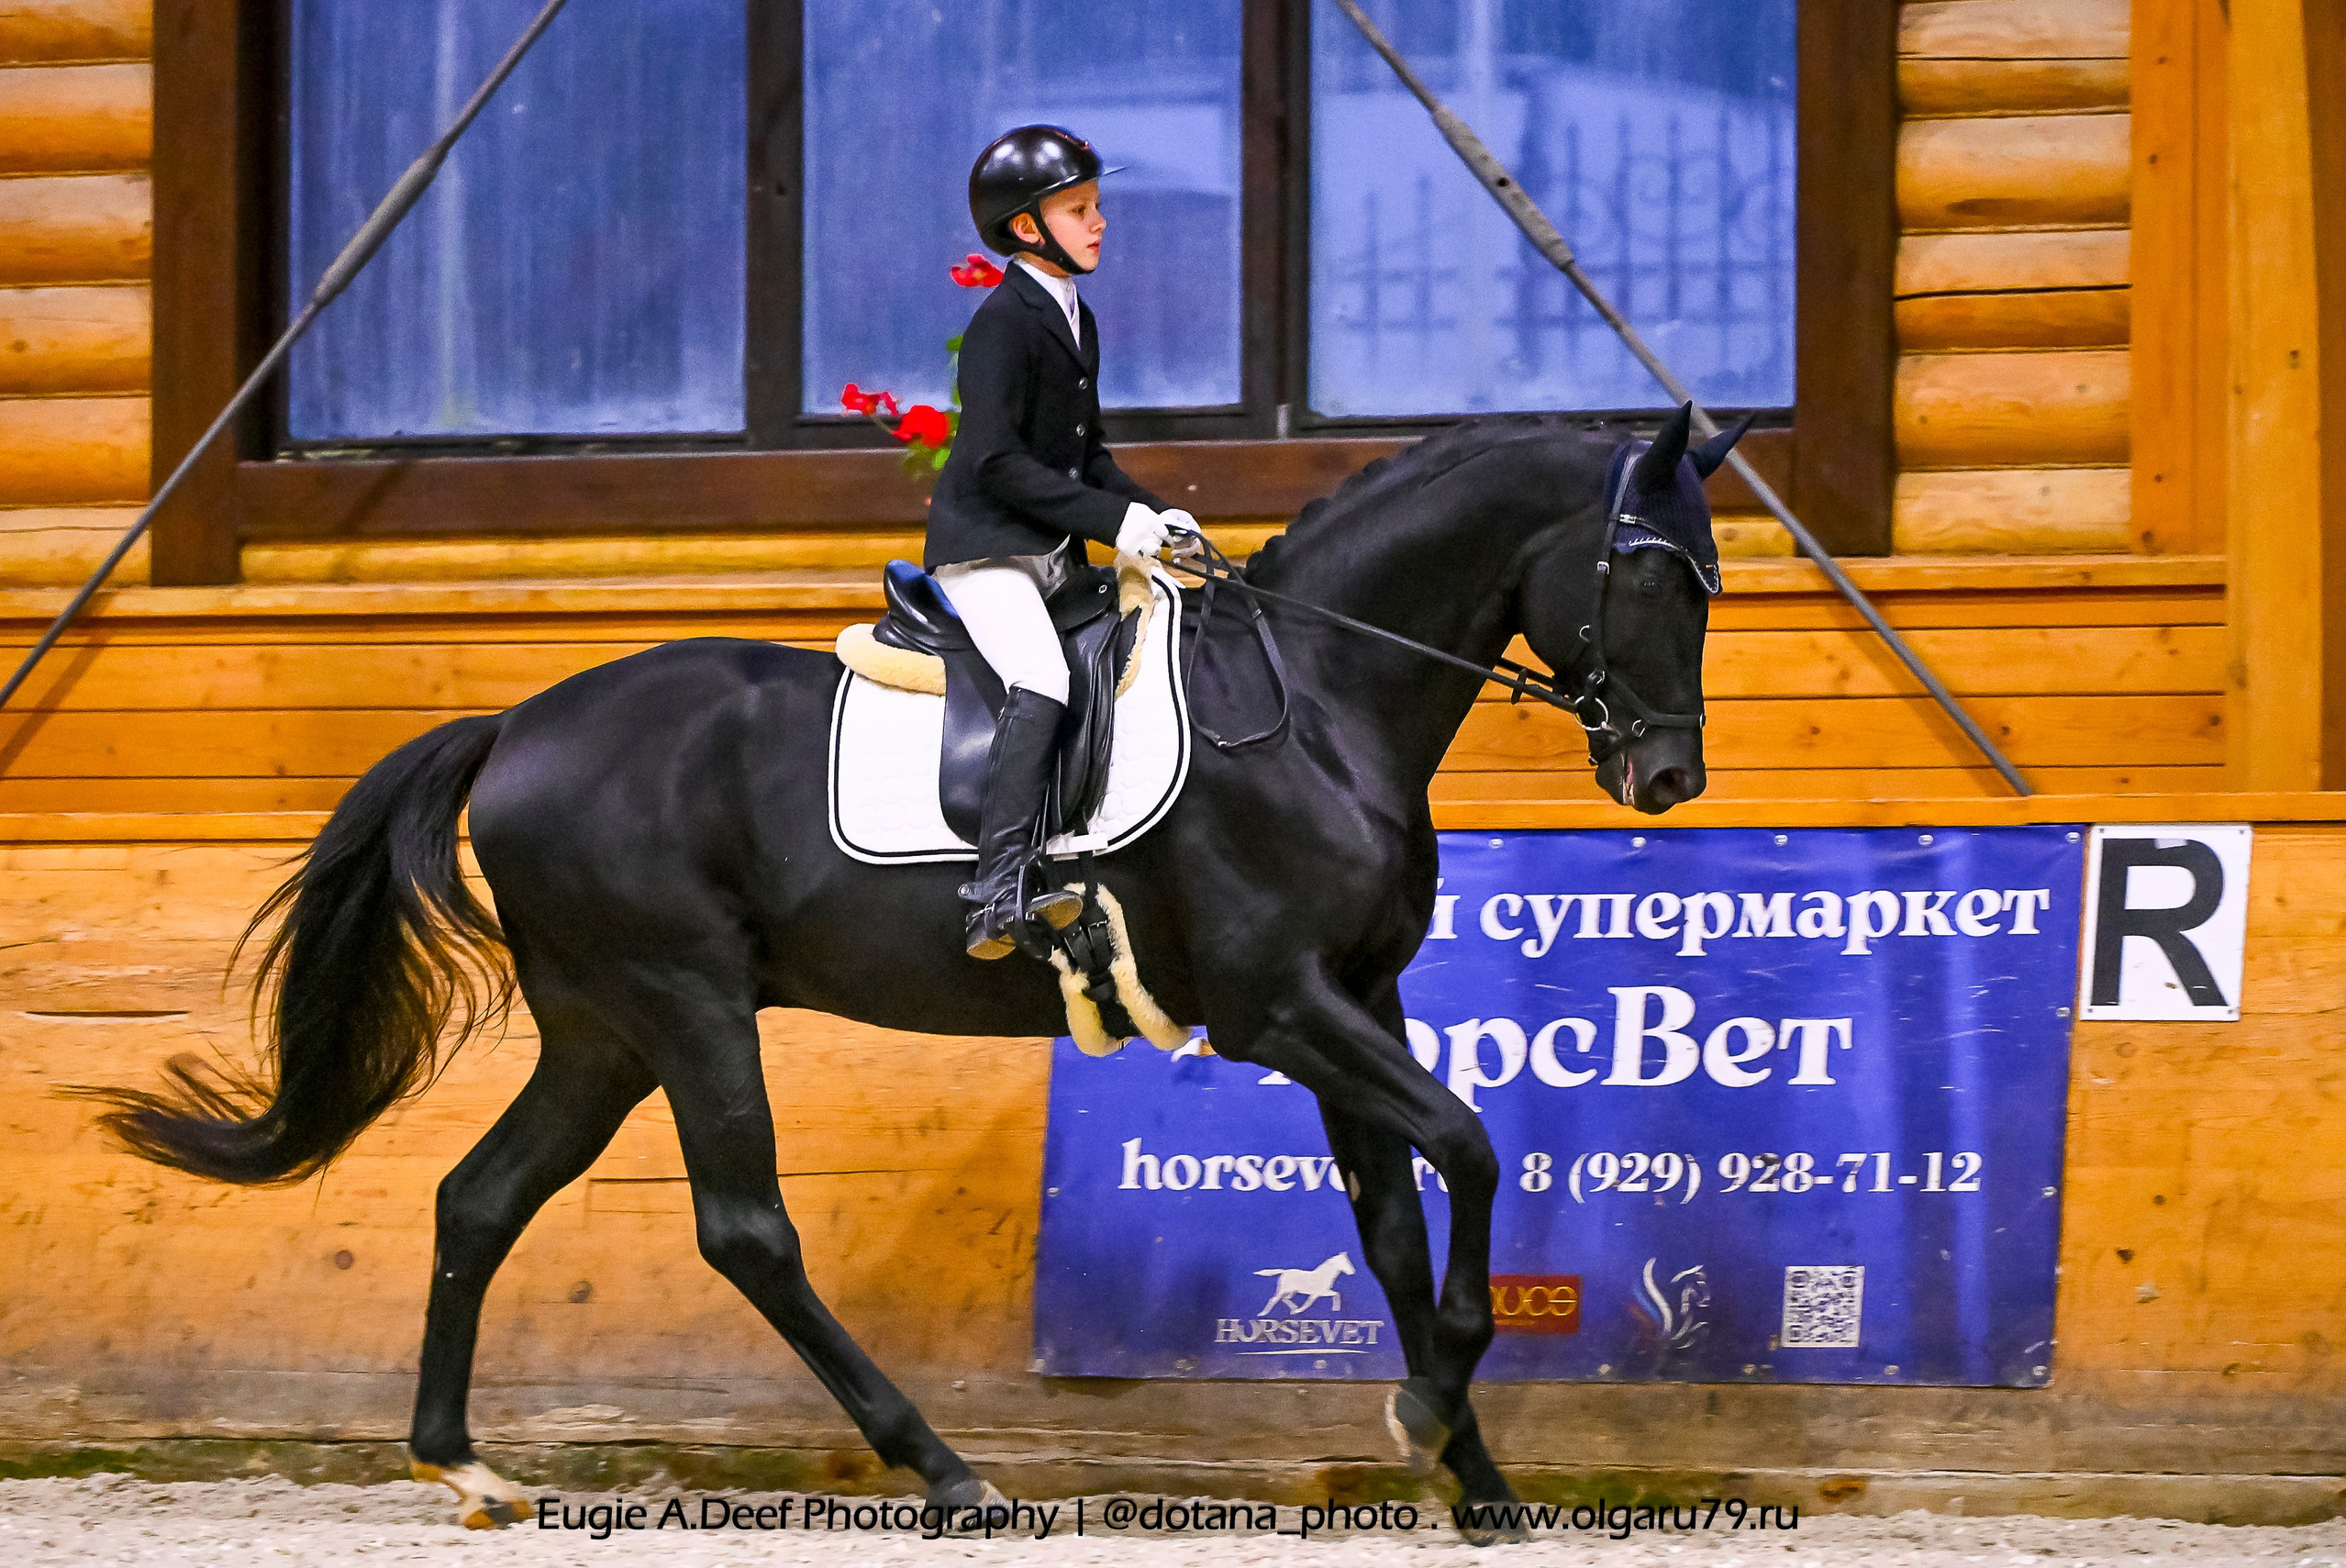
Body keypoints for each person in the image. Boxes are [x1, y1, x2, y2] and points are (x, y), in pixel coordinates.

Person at [927, 124, 1198, 961]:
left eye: (1096, 206)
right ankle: (996, 885)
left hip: (1047, 554)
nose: (1100, 221)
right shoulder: (1002, 324)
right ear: (1026, 228)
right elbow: (996, 461)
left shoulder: (1074, 315)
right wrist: (1114, 523)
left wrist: (1156, 513)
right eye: (1079, 209)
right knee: (1040, 676)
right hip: (987, 552)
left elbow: (1089, 457)